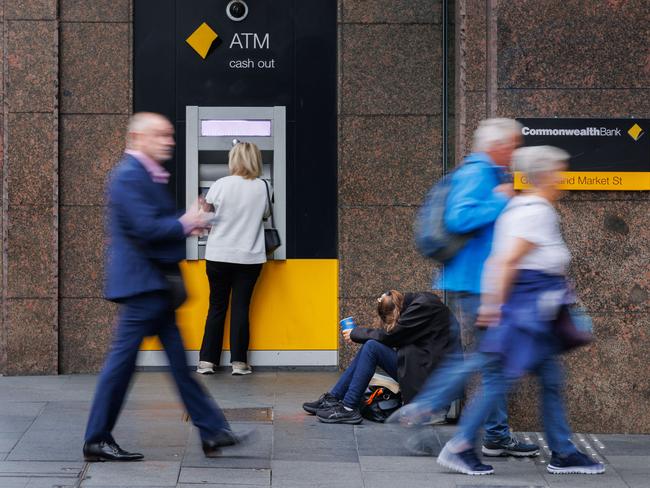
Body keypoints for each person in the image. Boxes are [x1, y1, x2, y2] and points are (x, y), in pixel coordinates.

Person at [390, 146, 605, 476]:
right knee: (499, 376)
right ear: (545, 175)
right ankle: (459, 443)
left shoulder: (519, 206)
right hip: (527, 313)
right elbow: (504, 260)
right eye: (559, 171)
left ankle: (562, 451)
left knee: (544, 378)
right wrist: (493, 306)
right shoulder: (536, 211)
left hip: (531, 311)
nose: (563, 178)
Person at [83, 113, 253, 462]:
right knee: (122, 365)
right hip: (141, 286)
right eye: (160, 135)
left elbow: (155, 226)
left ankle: (212, 431)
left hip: (153, 285)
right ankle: (97, 438)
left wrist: (189, 222)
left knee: (177, 364)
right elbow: (146, 229)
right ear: (137, 137)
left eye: (170, 136)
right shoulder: (129, 176)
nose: (169, 142)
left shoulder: (146, 175)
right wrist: (186, 222)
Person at [435, 118, 539, 458]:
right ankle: (427, 407)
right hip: (477, 284)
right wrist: (500, 200)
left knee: (493, 361)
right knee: (492, 360)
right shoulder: (478, 172)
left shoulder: (489, 172)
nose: (514, 152)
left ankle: (494, 434)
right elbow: (458, 218)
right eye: (511, 145)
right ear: (496, 146)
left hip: (484, 283)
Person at [302, 290, 454, 424]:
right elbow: (395, 337)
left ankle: (348, 408)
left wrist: (355, 333)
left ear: (396, 311)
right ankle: (333, 398)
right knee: (370, 347)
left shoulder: (422, 307)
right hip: (422, 369)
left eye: (392, 322)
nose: (393, 325)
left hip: (430, 381)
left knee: (371, 347)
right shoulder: (417, 305)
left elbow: (392, 336)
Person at [196, 142, 270, 376]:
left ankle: (207, 361)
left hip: (219, 255)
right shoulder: (263, 186)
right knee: (240, 307)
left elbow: (205, 216)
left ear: (234, 160)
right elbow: (266, 214)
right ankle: (239, 362)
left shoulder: (220, 185)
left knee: (217, 306)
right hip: (249, 257)